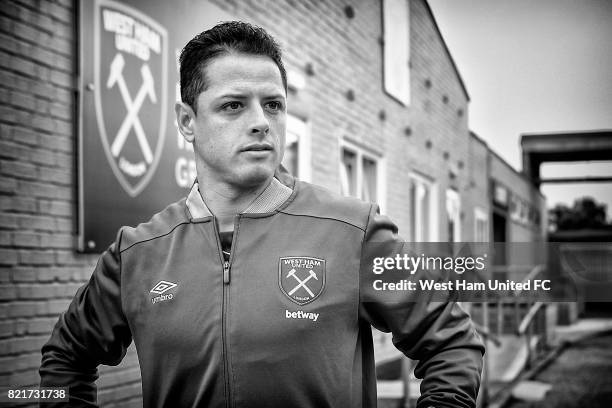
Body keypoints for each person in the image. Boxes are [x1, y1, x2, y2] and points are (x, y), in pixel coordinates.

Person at [40, 21, 484, 408]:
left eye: (273, 104)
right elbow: (65, 358)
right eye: (234, 105)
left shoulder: (353, 231)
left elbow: (452, 342)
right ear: (187, 121)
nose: (261, 122)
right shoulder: (137, 251)